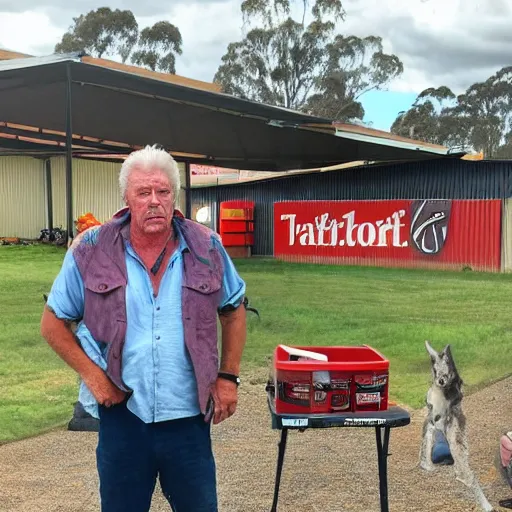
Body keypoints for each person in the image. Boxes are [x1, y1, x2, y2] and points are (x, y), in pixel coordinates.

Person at [40, 145, 247, 512]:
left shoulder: (207, 247)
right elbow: (53, 322)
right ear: (127, 199)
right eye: (144, 193)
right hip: (124, 417)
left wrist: (228, 377)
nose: (154, 201)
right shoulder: (91, 248)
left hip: (188, 417)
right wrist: (95, 378)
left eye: (163, 192)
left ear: (174, 196)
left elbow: (233, 310)